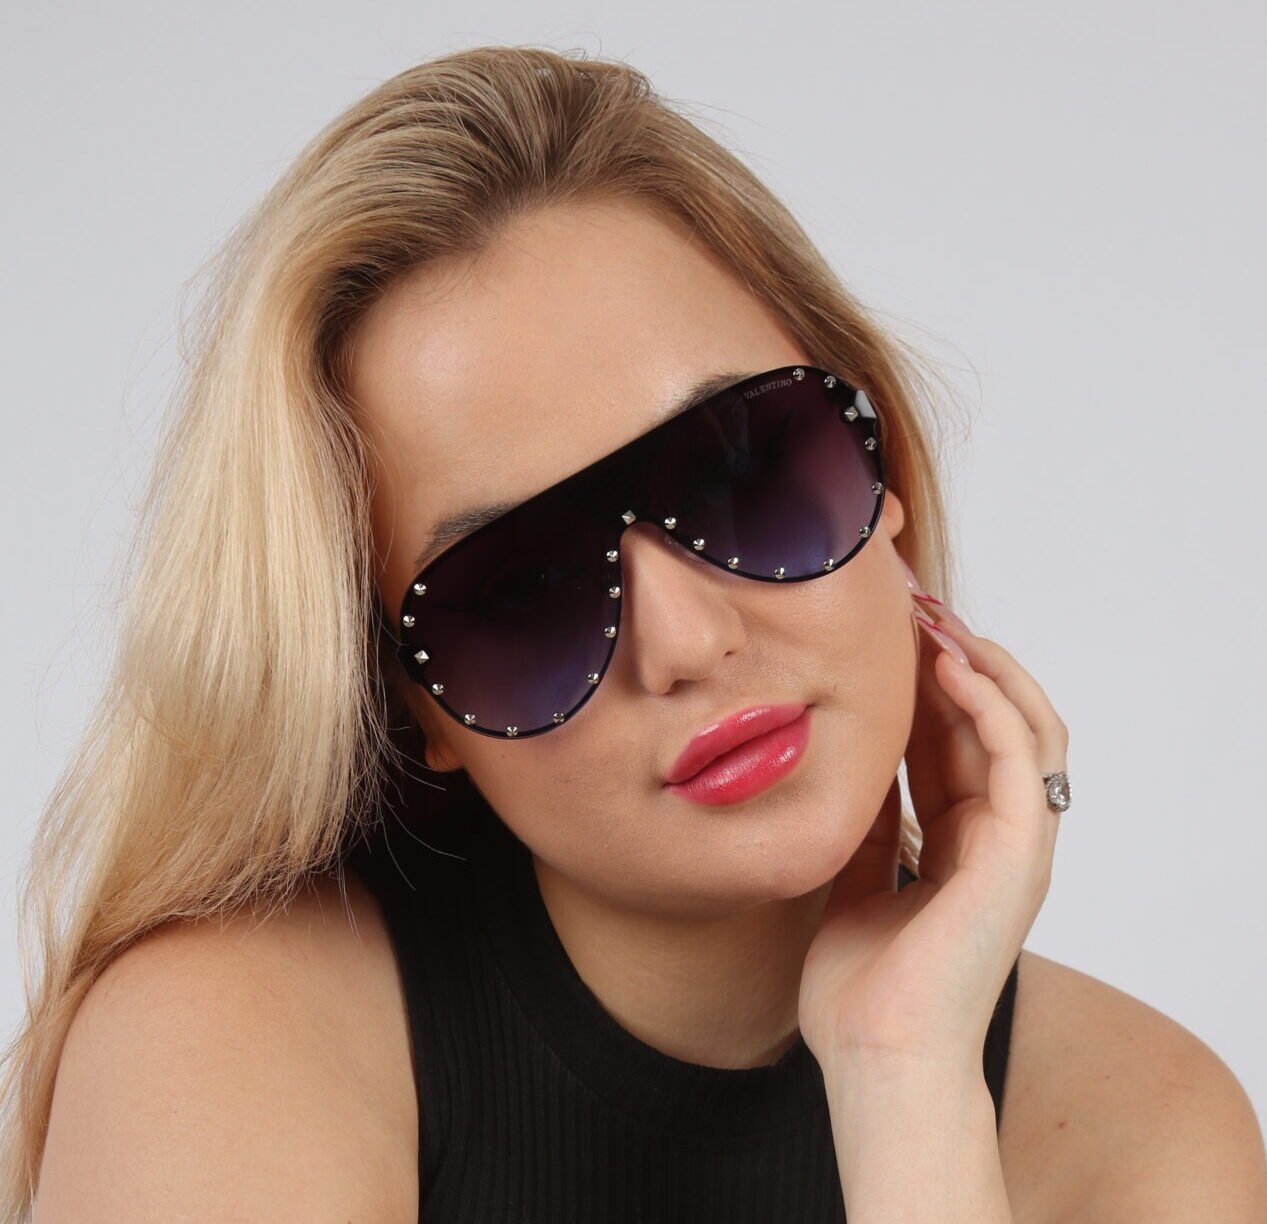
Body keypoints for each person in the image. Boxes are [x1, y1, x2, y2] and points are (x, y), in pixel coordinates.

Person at [7, 44, 1265, 1224]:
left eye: (743, 471)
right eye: (520, 589)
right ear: (408, 705)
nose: (687, 642)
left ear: (879, 470)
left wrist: (903, 1075)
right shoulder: (227, 1037)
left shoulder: (1140, 1132)